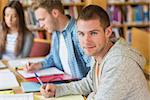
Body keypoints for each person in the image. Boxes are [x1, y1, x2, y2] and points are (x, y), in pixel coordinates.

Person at [40, 5, 150, 100]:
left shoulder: (119, 63)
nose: (86, 41)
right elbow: (89, 83)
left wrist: (93, 95)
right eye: (81, 34)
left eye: (93, 33)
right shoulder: (99, 53)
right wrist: (58, 90)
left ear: (108, 32)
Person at [24, 0, 91, 78]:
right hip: (64, 82)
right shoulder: (56, 33)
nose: (41, 25)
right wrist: (39, 65)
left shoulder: (79, 32)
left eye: (42, 19)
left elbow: (93, 67)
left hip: (79, 86)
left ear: (55, 13)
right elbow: (54, 57)